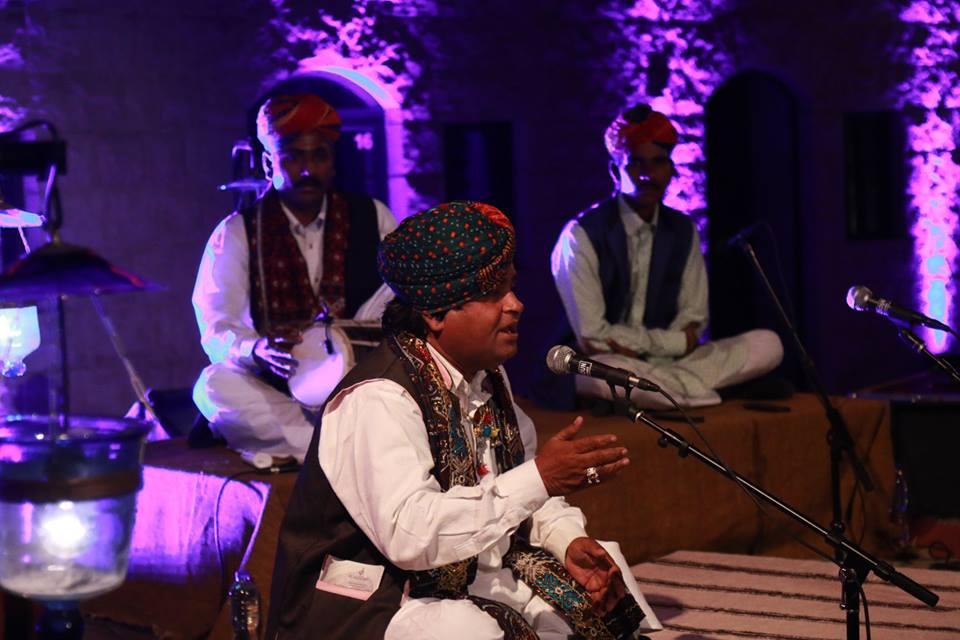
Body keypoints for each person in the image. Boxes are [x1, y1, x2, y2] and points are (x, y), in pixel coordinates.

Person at [267, 201, 662, 640]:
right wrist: (541, 478)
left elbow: (525, 487)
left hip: (471, 571)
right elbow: (411, 536)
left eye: (512, 288)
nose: (516, 305)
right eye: (493, 294)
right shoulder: (378, 398)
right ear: (436, 313)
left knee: (603, 582)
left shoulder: (488, 375)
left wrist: (566, 539)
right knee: (467, 630)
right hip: (371, 593)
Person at [191, 93, 396, 462]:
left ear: (333, 162)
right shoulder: (237, 232)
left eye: (319, 156)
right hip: (278, 387)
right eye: (294, 156)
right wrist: (256, 350)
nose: (307, 170)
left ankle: (313, 450)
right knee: (212, 386)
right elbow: (216, 326)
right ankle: (340, 452)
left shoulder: (372, 216)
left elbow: (398, 297)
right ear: (268, 163)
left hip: (361, 383)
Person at [547, 104, 783, 409]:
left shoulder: (684, 230)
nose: (649, 174)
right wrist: (675, 342)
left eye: (658, 162)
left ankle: (667, 391)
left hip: (672, 362)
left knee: (768, 343)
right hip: (605, 362)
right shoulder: (580, 235)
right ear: (614, 171)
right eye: (636, 163)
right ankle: (685, 391)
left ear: (671, 169)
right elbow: (593, 337)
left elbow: (694, 322)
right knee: (606, 372)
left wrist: (658, 348)